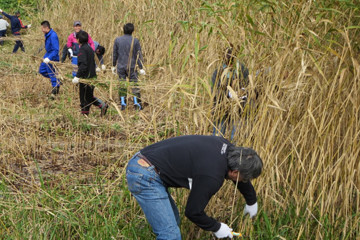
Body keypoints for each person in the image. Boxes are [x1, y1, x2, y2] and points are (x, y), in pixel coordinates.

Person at [126, 135, 263, 239]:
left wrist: (251, 200)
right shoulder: (212, 177)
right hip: (144, 175)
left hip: (145, 160)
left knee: (173, 221)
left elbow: (238, 172)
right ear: (235, 172)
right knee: (170, 235)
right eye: (244, 178)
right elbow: (193, 212)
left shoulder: (226, 146)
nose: (244, 181)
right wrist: (217, 228)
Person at [212, 48, 249, 140]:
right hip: (221, 107)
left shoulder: (242, 70)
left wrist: (241, 90)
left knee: (235, 135)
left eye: (232, 60)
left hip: (238, 107)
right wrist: (228, 91)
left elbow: (247, 86)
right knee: (218, 135)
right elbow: (216, 92)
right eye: (228, 61)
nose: (230, 64)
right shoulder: (218, 72)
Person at [72, 31, 108, 116]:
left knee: (84, 98)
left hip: (86, 77)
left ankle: (85, 115)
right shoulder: (90, 49)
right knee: (88, 97)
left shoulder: (82, 50)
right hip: (92, 76)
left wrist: (77, 77)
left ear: (79, 40)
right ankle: (101, 106)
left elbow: (83, 65)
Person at [112, 23, 145, 110]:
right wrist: (141, 67)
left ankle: (123, 104)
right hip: (132, 67)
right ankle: (137, 104)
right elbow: (138, 55)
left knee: (122, 85)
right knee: (134, 85)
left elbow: (115, 54)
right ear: (132, 31)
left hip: (121, 66)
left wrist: (113, 65)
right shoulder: (135, 41)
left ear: (123, 30)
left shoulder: (117, 40)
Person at [38, 21, 60, 100]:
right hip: (47, 54)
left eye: (43, 28)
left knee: (52, 73)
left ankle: (55, 91)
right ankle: (58, 80)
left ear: (47, 28)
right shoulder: (47, 34)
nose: (42, 30)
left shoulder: (53, 35)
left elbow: (56, 50)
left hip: (52, 56)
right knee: (42, 70)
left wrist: (49, 58)